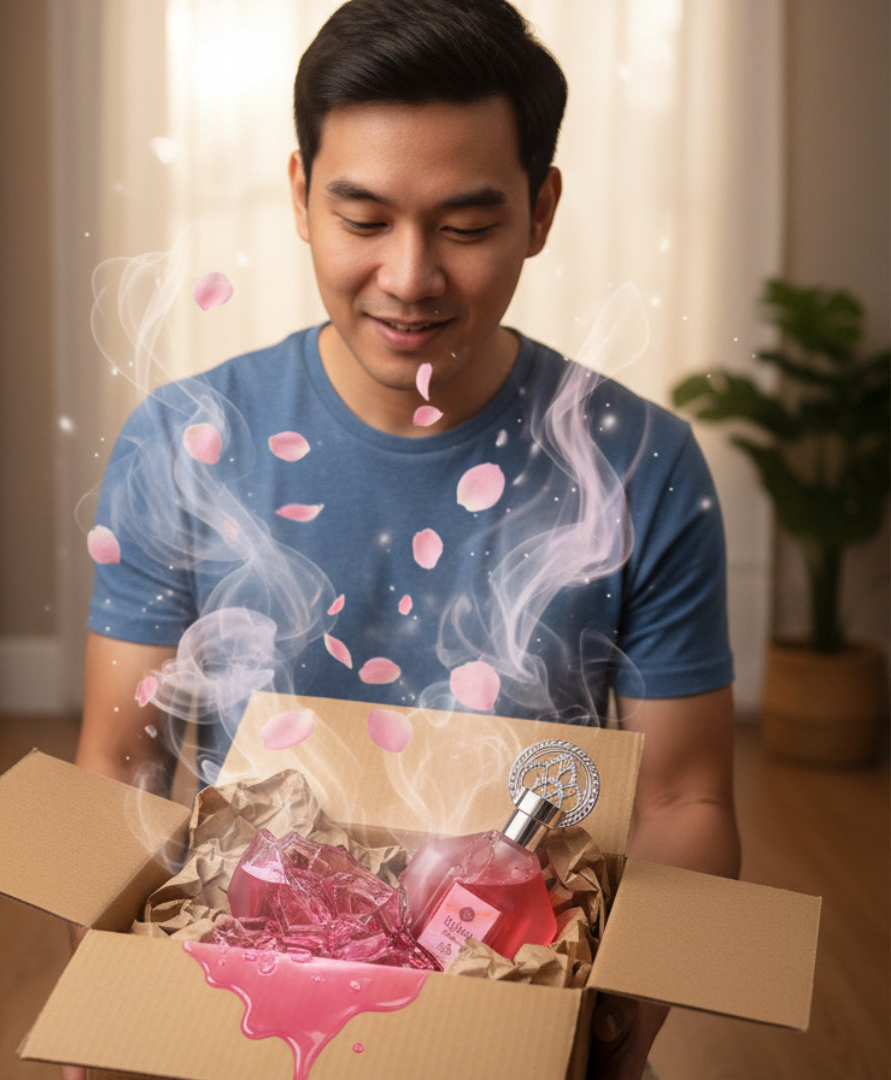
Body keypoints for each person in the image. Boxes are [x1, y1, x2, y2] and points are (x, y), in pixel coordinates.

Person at [70, 3, 741, 1079]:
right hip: (236, 1005)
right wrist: (109, 989)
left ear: (542, 209)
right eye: (364, 218)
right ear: (299, 197)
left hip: (516, 1001)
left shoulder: (640, 461)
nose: (411, 276)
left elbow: (684, 798)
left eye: (468, 227)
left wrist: (622, 1021)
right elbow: (122, 761)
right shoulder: (183, 443)